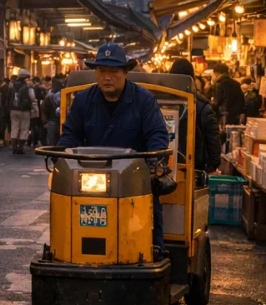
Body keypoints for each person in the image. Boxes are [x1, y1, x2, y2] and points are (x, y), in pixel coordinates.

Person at [57, 43, 170, 257]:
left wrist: (154, 162)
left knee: (150, 203)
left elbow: (157, 134)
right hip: (90, 174)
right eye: (101, 71)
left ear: (126, 73)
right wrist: (63, 158)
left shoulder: (144, 100)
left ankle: (154, 251)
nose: (107, 77)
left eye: (113, 71)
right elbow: (70, 134)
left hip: (133, 175)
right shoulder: (83, 100)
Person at [169, 59, 221, 176]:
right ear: (192, 79)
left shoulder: (161, 102)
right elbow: (213, 143)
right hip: (195, 172)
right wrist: (210, 167)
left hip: (165, 169)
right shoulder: (203, 107)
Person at [7, 70, 35, 154]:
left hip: (13, 109)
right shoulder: (28, 86)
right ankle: (20, 147)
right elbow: (32, 97)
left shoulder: (12, 85)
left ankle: (14, 147)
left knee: (14, 127)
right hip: (25, 109)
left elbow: (8, 97)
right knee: (24, 128)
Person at [44, 75, 64, 146]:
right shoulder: (66, 92)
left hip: (52, 119)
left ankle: (53, 156)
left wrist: (45, 120)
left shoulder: (49, 94)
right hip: (63, 120)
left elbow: (45, 108)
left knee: (52, 141)